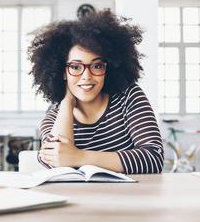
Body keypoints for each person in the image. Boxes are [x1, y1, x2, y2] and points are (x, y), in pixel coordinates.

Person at [28, 9, 163, 174]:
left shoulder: (128, 96)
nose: (87, 76)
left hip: (130, 198)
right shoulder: (56, 114)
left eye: (97, 66)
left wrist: (79, 157)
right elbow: (54, 164)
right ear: (62, 71)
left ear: (109, 67)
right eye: (75, 67)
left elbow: (153, 158)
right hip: (81, 199)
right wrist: (67, 102)